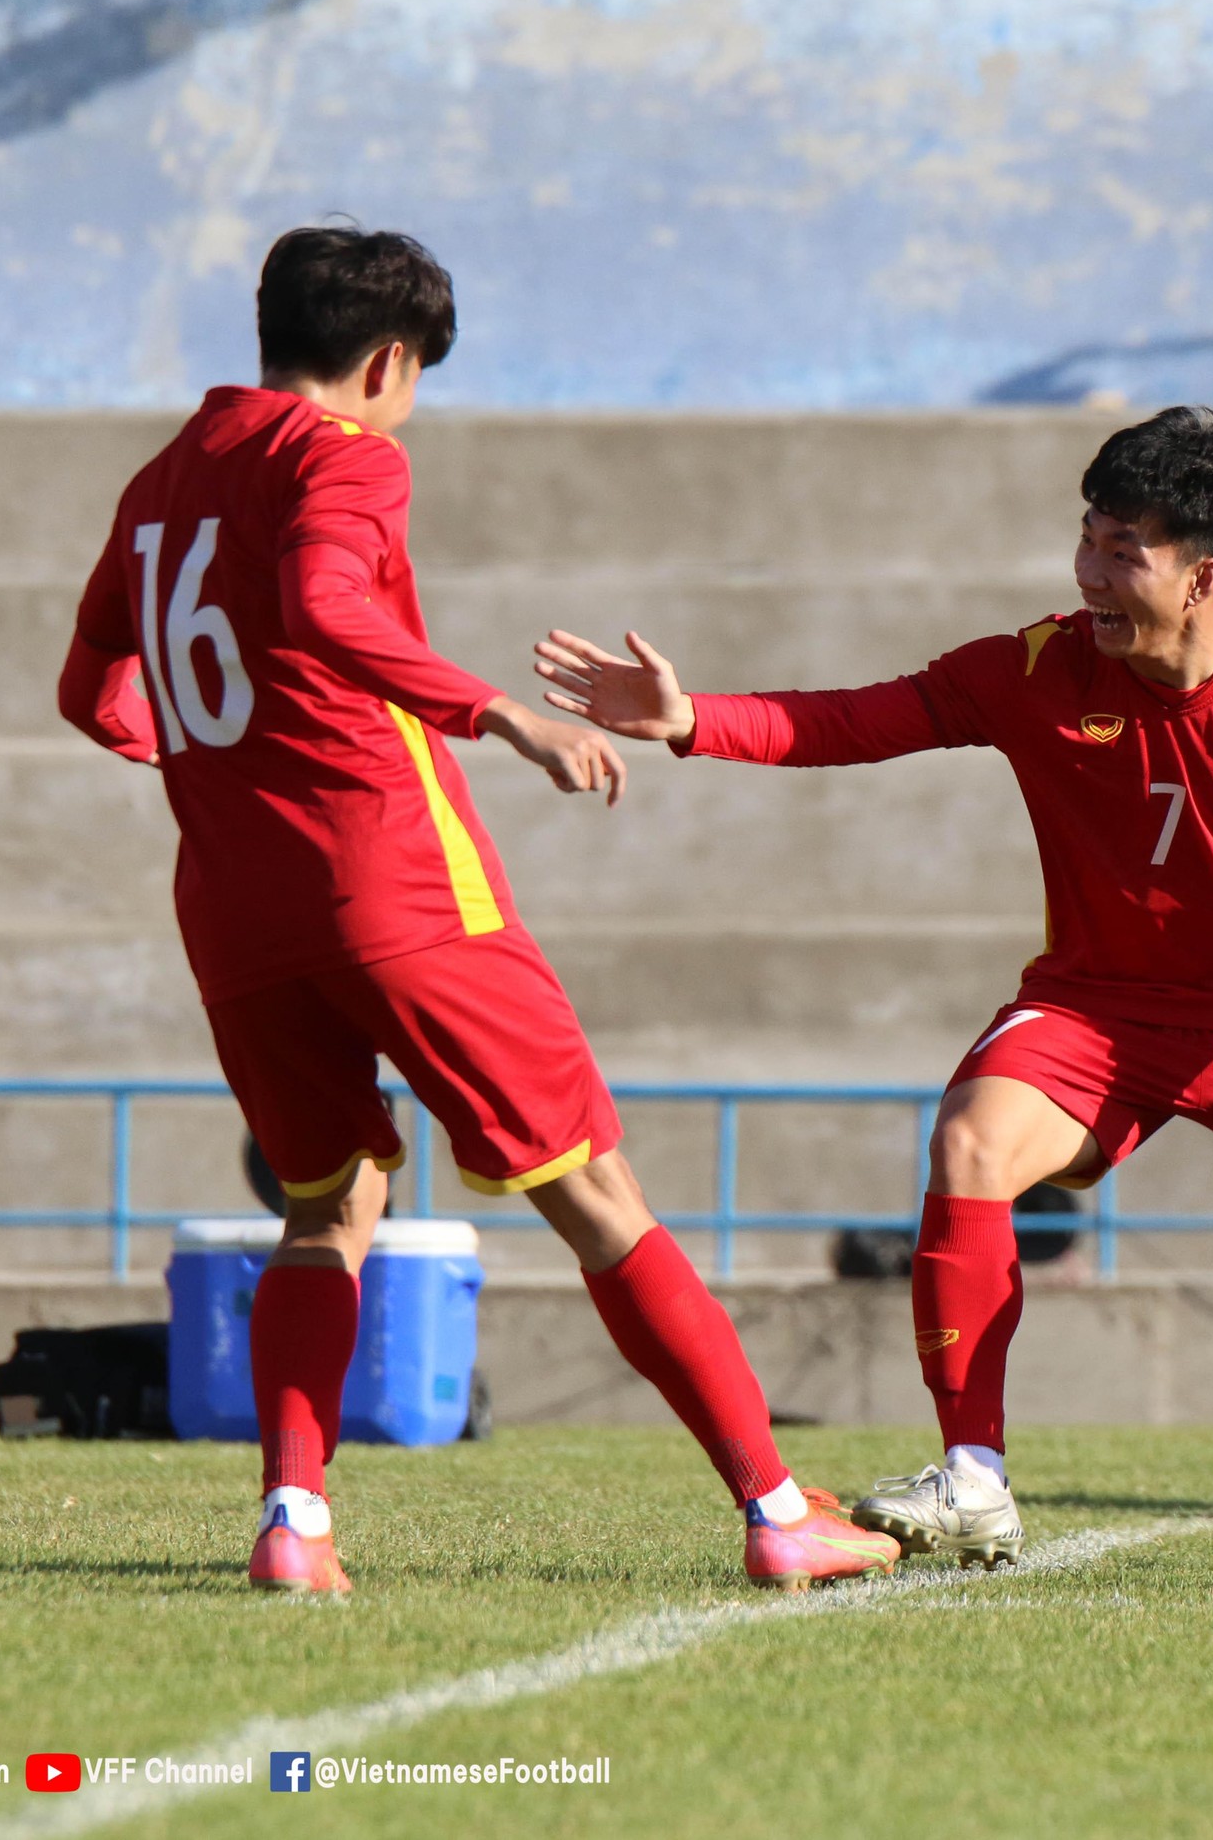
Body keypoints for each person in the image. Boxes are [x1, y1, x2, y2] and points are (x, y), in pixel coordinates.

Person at [534, 406, 1213, 1588]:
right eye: (1087, 540)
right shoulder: (1028, 669)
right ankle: (973, 1481)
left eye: (1126, 552)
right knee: (970, 1141)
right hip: (1094, 1009)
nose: (1092, 574)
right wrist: (695, 722)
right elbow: (854, 720)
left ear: (1203, 575)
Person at [57, 224, 897, 1597]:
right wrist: (495, 711)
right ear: (387, 362)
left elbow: (91, 685)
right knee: (596, 1192)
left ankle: (294, 1520)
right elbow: (325, 603)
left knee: (329, 1207)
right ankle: (774, 1504)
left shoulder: (161, 482)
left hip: (233, 911)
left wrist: (188, 760)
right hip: (390, 885)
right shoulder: (342, 455)